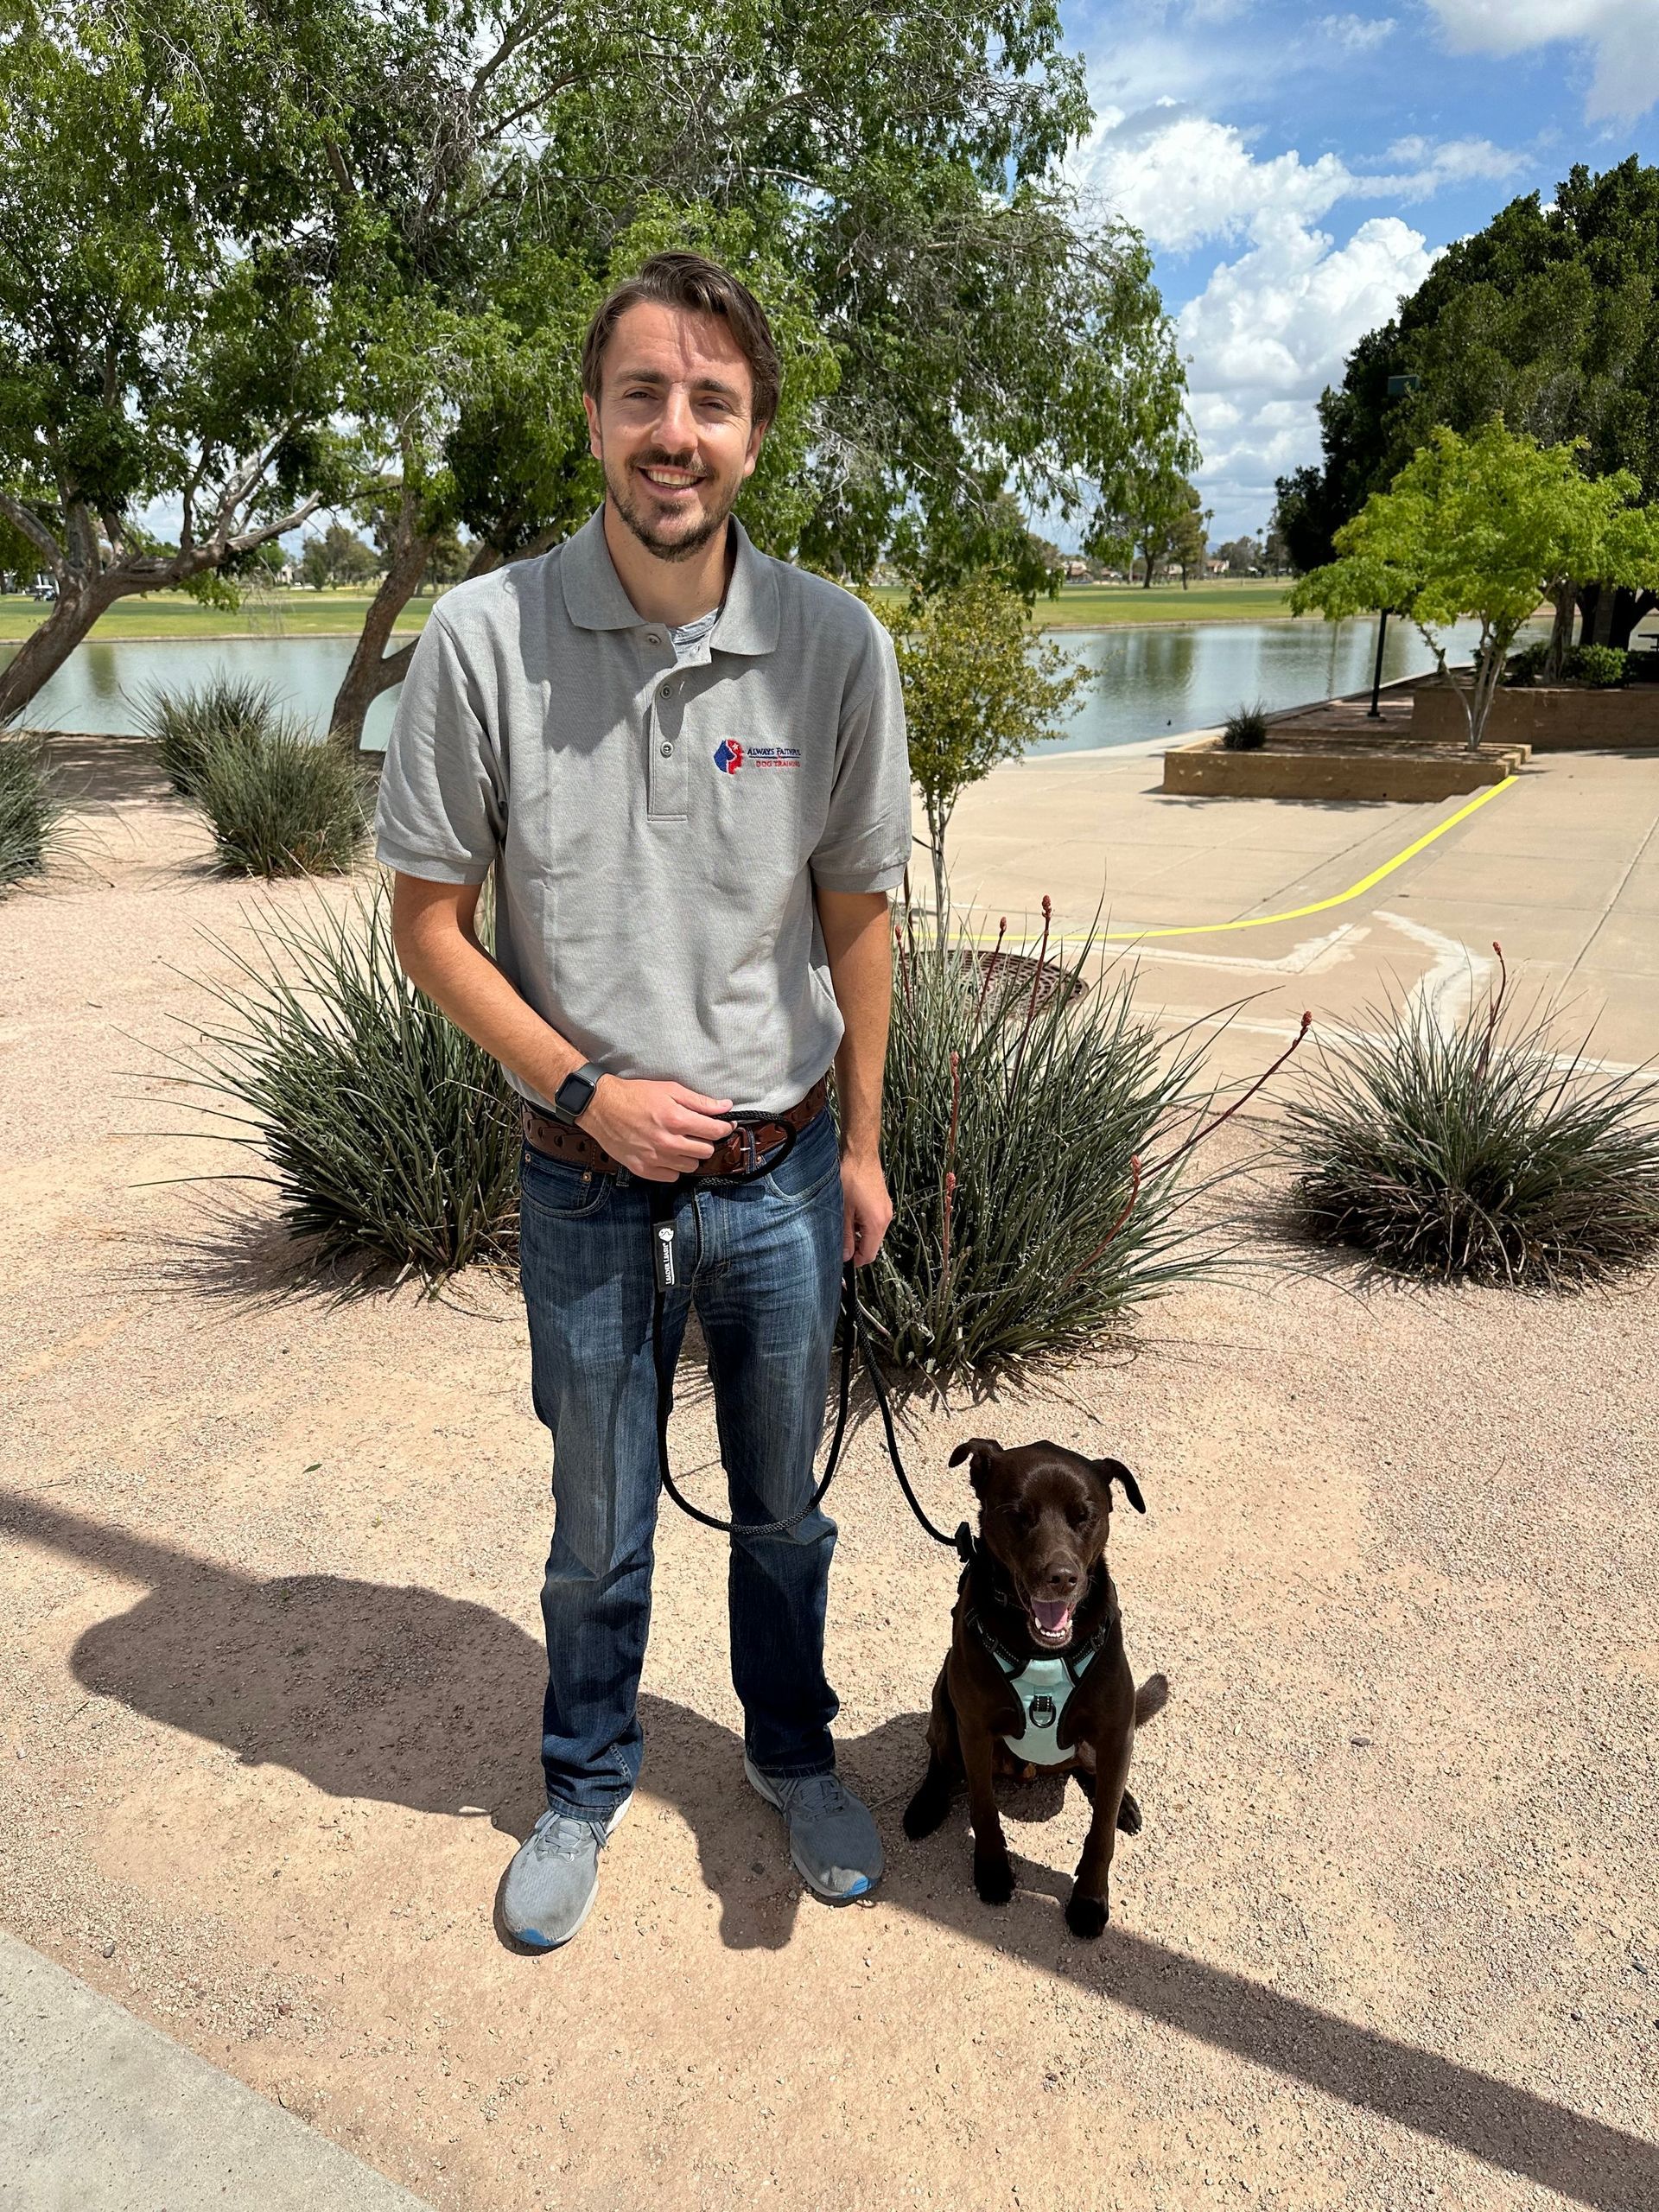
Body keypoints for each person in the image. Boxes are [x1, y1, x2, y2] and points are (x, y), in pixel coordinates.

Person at [374, 252, 911, 1950]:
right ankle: (587, 1772)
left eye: (712, 401)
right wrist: (587, 1089)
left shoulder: (833, 647)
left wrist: (869, 1145)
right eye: (643, 396)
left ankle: (789, 1749)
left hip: (779, 1170)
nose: (674, 432)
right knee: (596, 1527)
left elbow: (861, 914)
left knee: (786, 1513)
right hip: (580, 1176)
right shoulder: (482, 642)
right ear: (594, 420)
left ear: (754, 436)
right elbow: (427, 926)